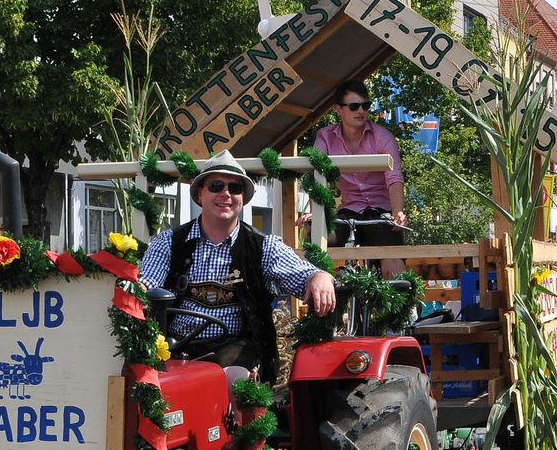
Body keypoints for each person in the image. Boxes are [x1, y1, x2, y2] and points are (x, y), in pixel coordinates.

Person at [138, 150, 337, 382]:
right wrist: (138, 292)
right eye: (216, 186)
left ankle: (244, 417)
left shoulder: (264, 246)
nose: (226, 194)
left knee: (234, 379)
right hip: (173, 345)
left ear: (243, 198)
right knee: (141, 379)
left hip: (237, 346)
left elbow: (306, 276)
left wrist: (319, 275)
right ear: (199, 194)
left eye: (234, 188)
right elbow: (145, 286)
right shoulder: (168, 242)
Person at [314, 80, 407, 253]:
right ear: (338, 109)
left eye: (365, 105)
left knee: (392, 267)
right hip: (348, 210)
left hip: (381, 212)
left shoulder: (383, 137)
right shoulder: (325, 137)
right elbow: (317, 178)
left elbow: (394, 179)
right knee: (318, 234)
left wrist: (397, 212)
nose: (361, 111)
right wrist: (316, 214)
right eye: (354, 106)